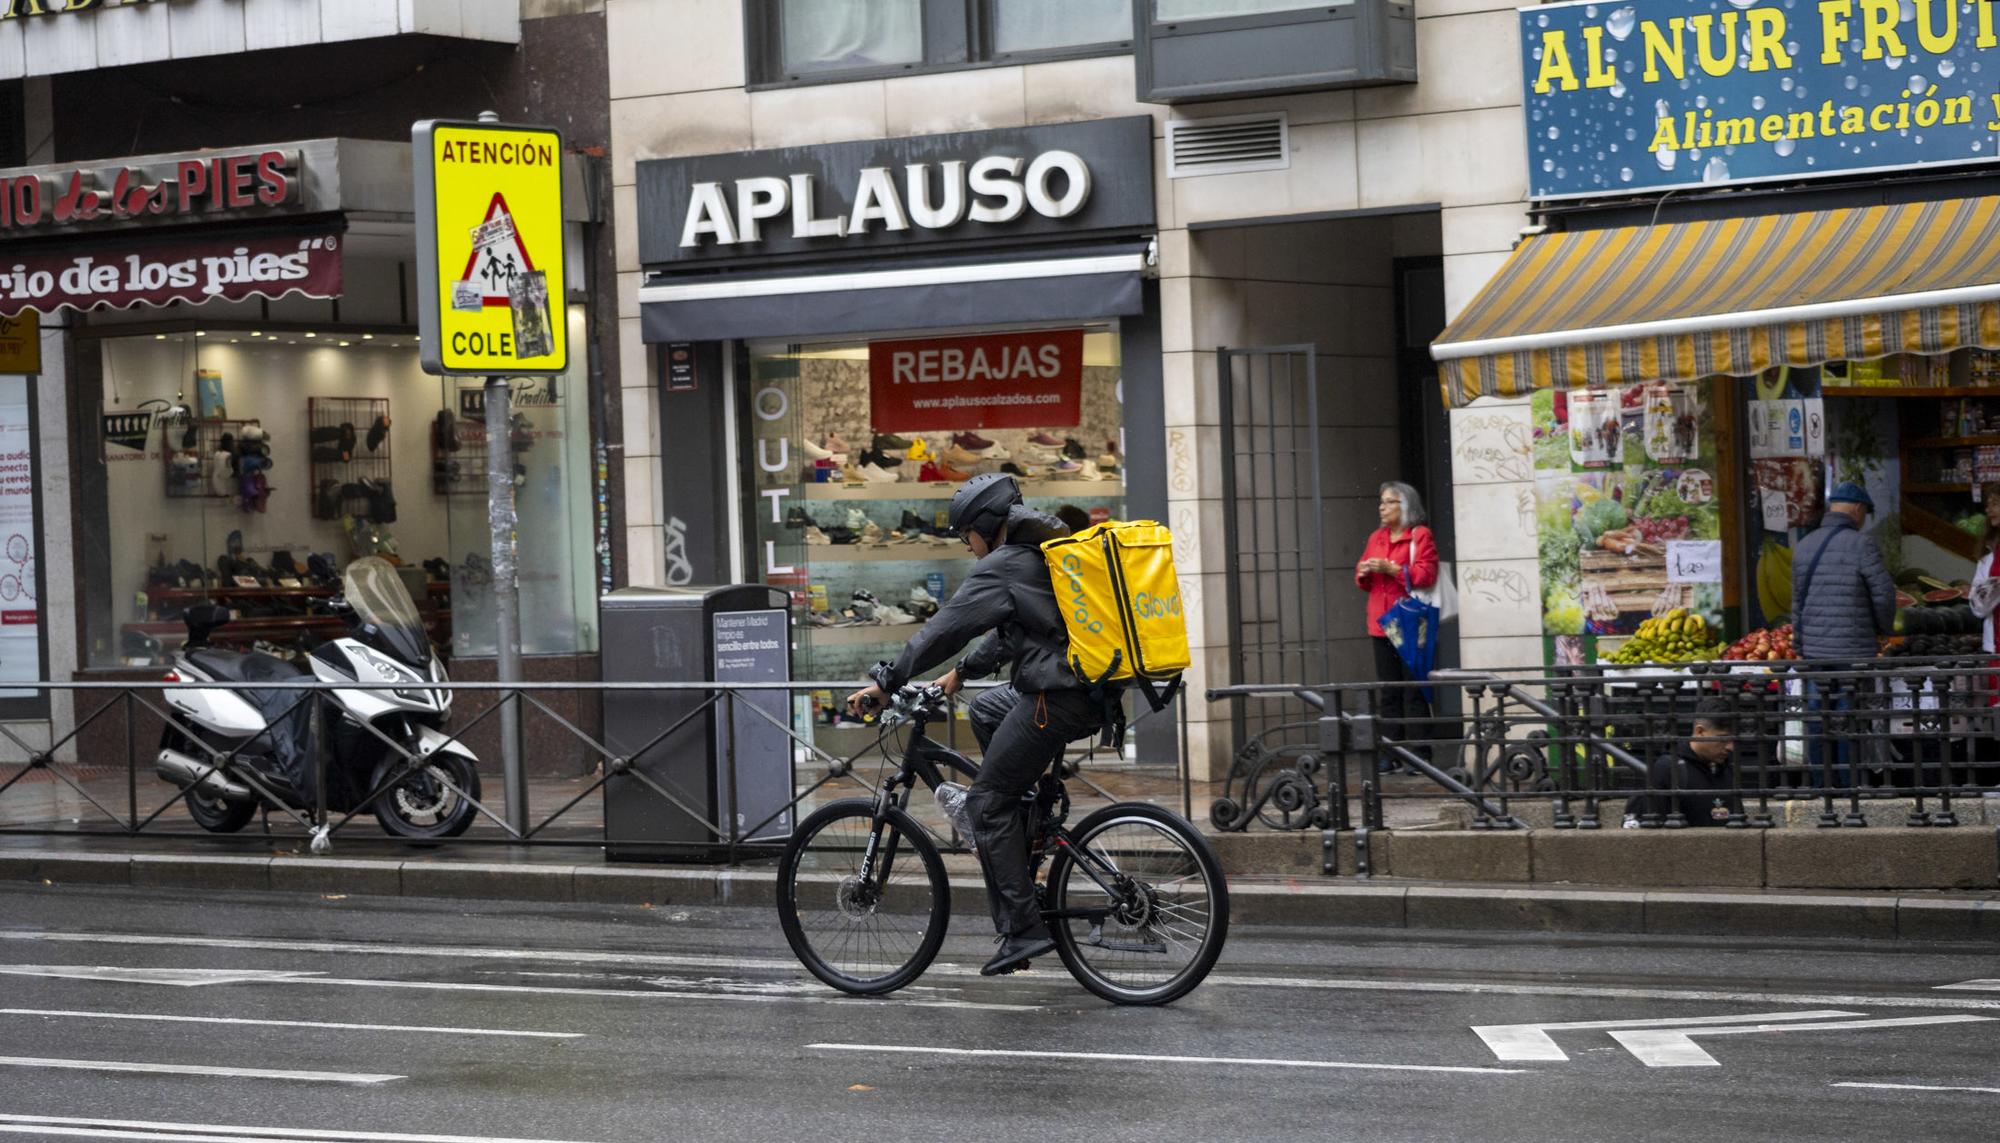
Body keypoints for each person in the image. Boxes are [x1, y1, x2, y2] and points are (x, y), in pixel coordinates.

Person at [845, 473, 1102, 977]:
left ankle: (1024, 930)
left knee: (985, 803)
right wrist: (960, 675)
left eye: (967, 536)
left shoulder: (1007, 562)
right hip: (1078, 692)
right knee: (986, 711)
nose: (968, 547)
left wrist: (887, 679)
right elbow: (1012, 635)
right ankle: (1027, 822)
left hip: (1055, 696)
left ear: (985, 526)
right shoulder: (1038, 553)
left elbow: (948, 625)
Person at [1791, 482, 1896, 786]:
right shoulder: (1861, 545)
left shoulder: (1805, 545)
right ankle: (1849, 789)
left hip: (1815, 655)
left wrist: (1801, 644)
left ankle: (1821, 789)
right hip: (1853, 652)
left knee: (1817, 719)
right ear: (1858, 510)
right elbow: (1884, 595)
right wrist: (1883, 629)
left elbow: (1797, 602)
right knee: (1848, 718)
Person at [1353, 481, 1438, 770]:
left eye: (1390, 502)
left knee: (1414, 689)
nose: (1382, 507)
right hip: (1381, 622)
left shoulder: (1419, 535)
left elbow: (1426, 575)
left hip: (1411, 622)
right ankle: (1390, 752)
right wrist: (1364, 571)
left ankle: (1419, 755)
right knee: (1389, 690)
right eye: (1382, 501)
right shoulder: (1376, 537)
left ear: (1406, 506)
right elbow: (1363, 577)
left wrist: (1393, 569)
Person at [1621, 699, 1742, 828]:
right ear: (1700, 732)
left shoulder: (1724, 768)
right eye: (1723, 738)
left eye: (1733, 740)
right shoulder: (1669, 769)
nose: (1730, 747)